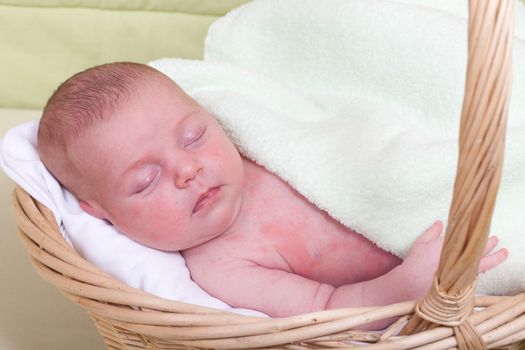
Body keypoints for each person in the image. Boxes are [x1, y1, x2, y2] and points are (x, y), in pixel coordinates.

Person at [38, 62, 508, 328]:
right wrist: (405, 284)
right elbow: (328, 313)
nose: (187, 170)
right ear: (100, 214)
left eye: (194, 136)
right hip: (425, 261)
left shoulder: (255, 146)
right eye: (145, 181)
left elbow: (329, 128)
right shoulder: (221, 267)